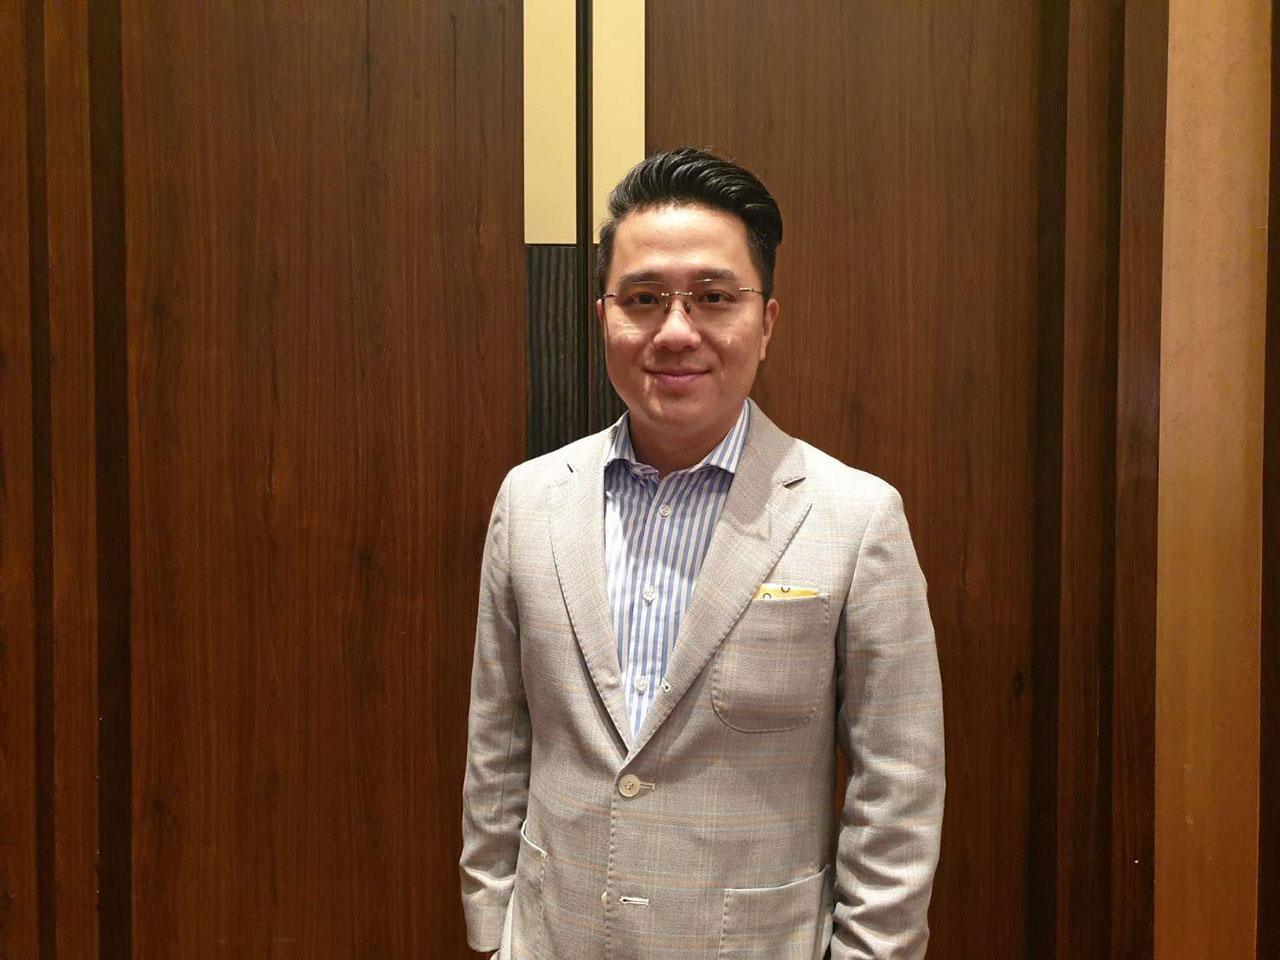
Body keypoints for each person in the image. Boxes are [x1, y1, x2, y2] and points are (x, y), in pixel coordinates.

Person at [460, 147, 944, 959]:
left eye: (714, 297)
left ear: (767, 321)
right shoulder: (531, 501)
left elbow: (900, 787)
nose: (676, 331)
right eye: (644, 299)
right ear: (604, 316)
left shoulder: (856, 518)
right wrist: (490, 930)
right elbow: (498, 741)